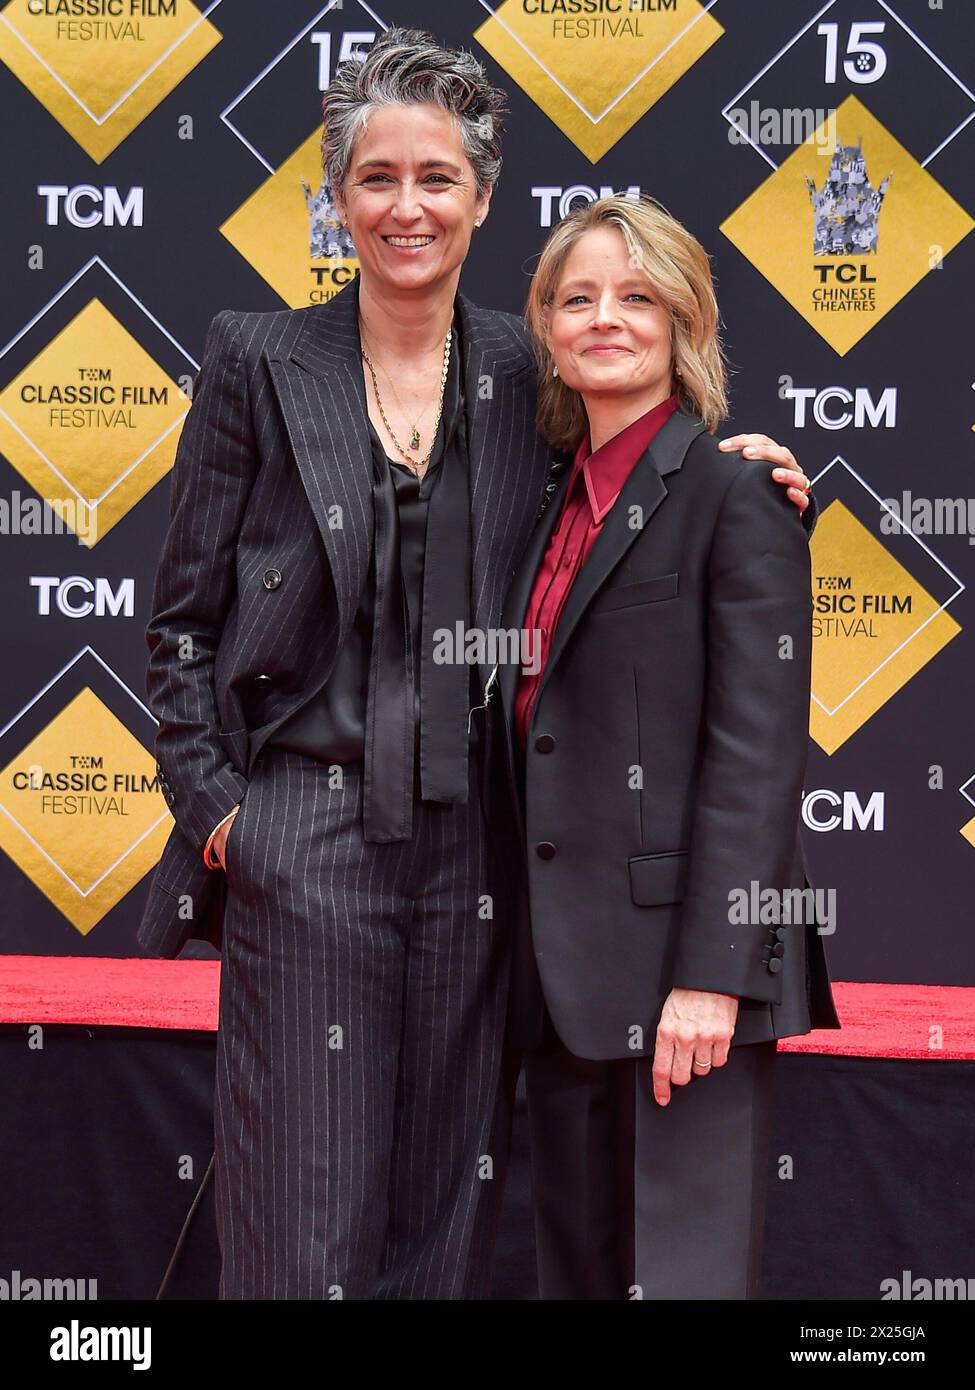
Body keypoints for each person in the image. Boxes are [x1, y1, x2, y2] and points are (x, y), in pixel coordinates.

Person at [137, 29, 814, 1300]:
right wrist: (228, 817)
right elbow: (179, 623)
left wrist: (743, 470)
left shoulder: (526, 365)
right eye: (378, 177)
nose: (408, 205)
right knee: (299, 1208)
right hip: (305, 837)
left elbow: (631, 505)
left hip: (485, 856)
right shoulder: (256, 356)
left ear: (484, 199)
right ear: (336, 199)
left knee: (445, 1211)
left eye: (438, 177)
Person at [494, 193, 842, 1300]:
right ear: (546, 323)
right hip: (558, 983)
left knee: (682, 1283)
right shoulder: (537, 503)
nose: (606, 317)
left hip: (687, 987)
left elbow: (756, 759)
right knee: (578, 1279)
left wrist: (711, 977)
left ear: (684, 320)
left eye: (637, 297)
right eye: (578, 296)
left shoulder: (738, 494)